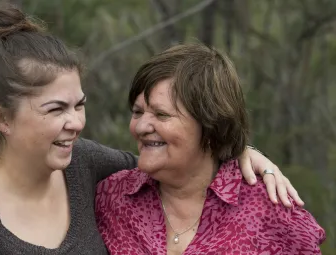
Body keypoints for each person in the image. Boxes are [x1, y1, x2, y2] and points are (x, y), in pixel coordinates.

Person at [0, 7, 302, 255]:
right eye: (56, 109)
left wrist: (240, 151)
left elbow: (176, 161)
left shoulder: (83, 165)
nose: (75, 122)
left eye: (79, 105)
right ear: (1, 118)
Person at [95, 43, 326, 254]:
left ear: (209, 125)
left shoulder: (272, 212)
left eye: (161, 114)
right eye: (137, 112)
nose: (141, 126)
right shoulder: (110, 198)